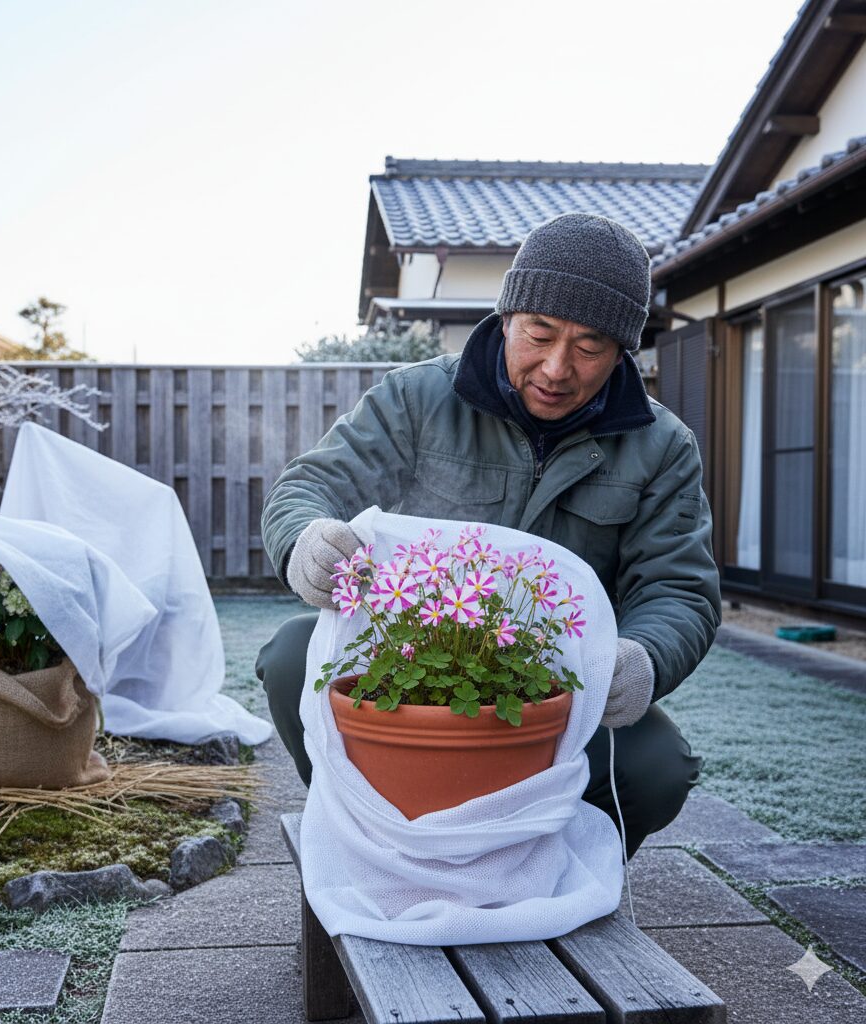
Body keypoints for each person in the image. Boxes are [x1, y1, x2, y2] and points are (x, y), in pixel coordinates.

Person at [257, 212, 720, 858]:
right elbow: (308, 485)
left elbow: (680, 589)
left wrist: (643, 655)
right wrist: (308, 538)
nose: (558, 367)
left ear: (623, 352)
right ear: (507, 317)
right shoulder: (419, 399)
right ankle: (369, 837)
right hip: (418, 659)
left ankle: (549, 860)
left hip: (560, 685)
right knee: (290, 658)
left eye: (590, 348)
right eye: (540, 333)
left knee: (658, 767)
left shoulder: (662, 447)